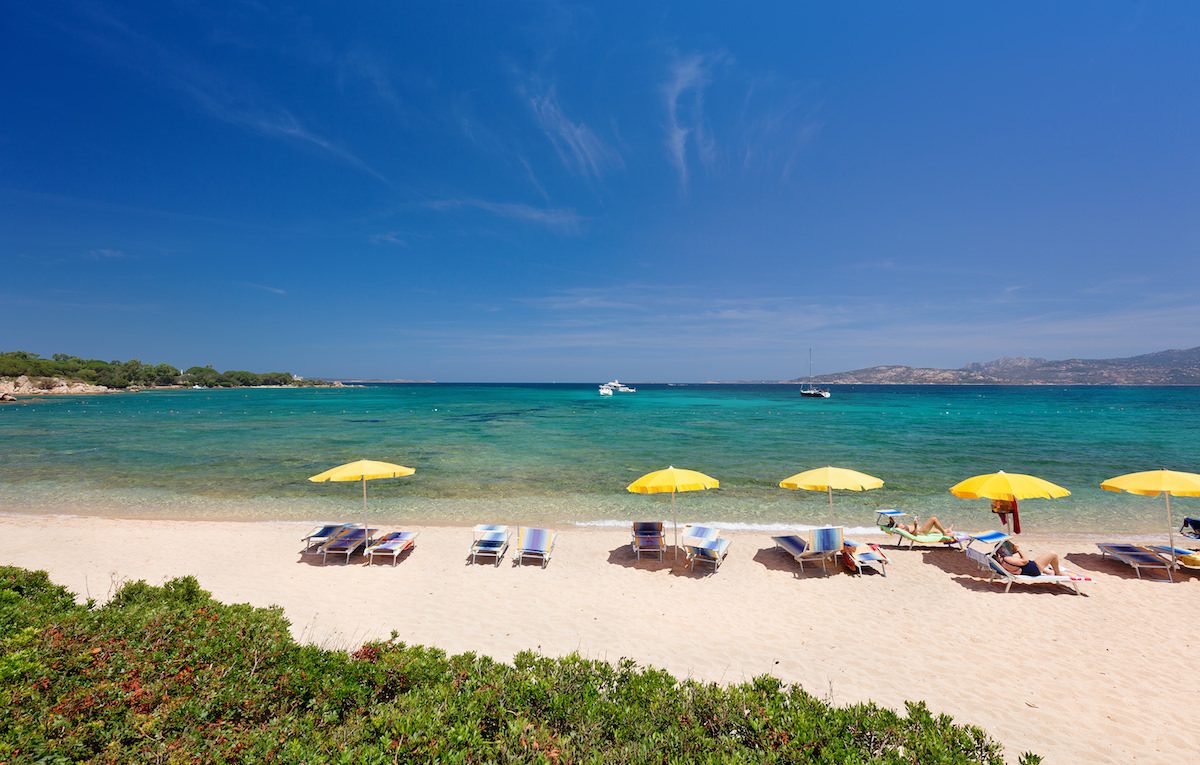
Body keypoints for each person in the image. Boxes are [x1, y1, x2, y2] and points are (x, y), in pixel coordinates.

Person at [996, 540, 1062, 577]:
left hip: (1031, 568)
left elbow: (1017, 567)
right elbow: (1025, 561)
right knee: (1053, 554)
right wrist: (1019, 550)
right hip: (1035, 569)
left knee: (1048, 567)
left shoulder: (1002, 560)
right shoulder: (1007, 559)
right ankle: (1058, 573)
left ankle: (1050, 572)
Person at [886, 514, 953, 536]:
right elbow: (914, 534)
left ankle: (947, 530)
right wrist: (915, 525)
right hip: (920, 532)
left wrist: (889, 515)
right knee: (933, 519)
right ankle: (944, 533)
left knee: (934, 530)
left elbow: (891, 519)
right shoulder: (901, 529)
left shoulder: (897, 525)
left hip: (920, 529)